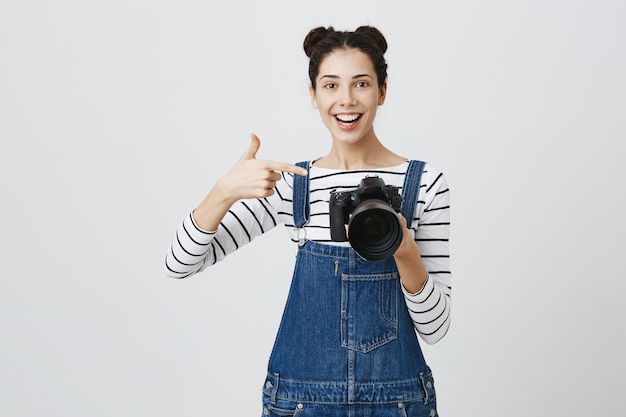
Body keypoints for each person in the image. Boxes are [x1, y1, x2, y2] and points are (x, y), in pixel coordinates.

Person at [165, 25, 451, 417]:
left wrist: (405, 253)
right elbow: (179, 264)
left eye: (362, 84)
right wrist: (224, 191)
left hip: (398, 402)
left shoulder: (425, 185)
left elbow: (436, 329)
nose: (346, 100)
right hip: (302, 403)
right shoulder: (293, 185)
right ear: (313, 96)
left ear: (382, 91)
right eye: (331, 86)